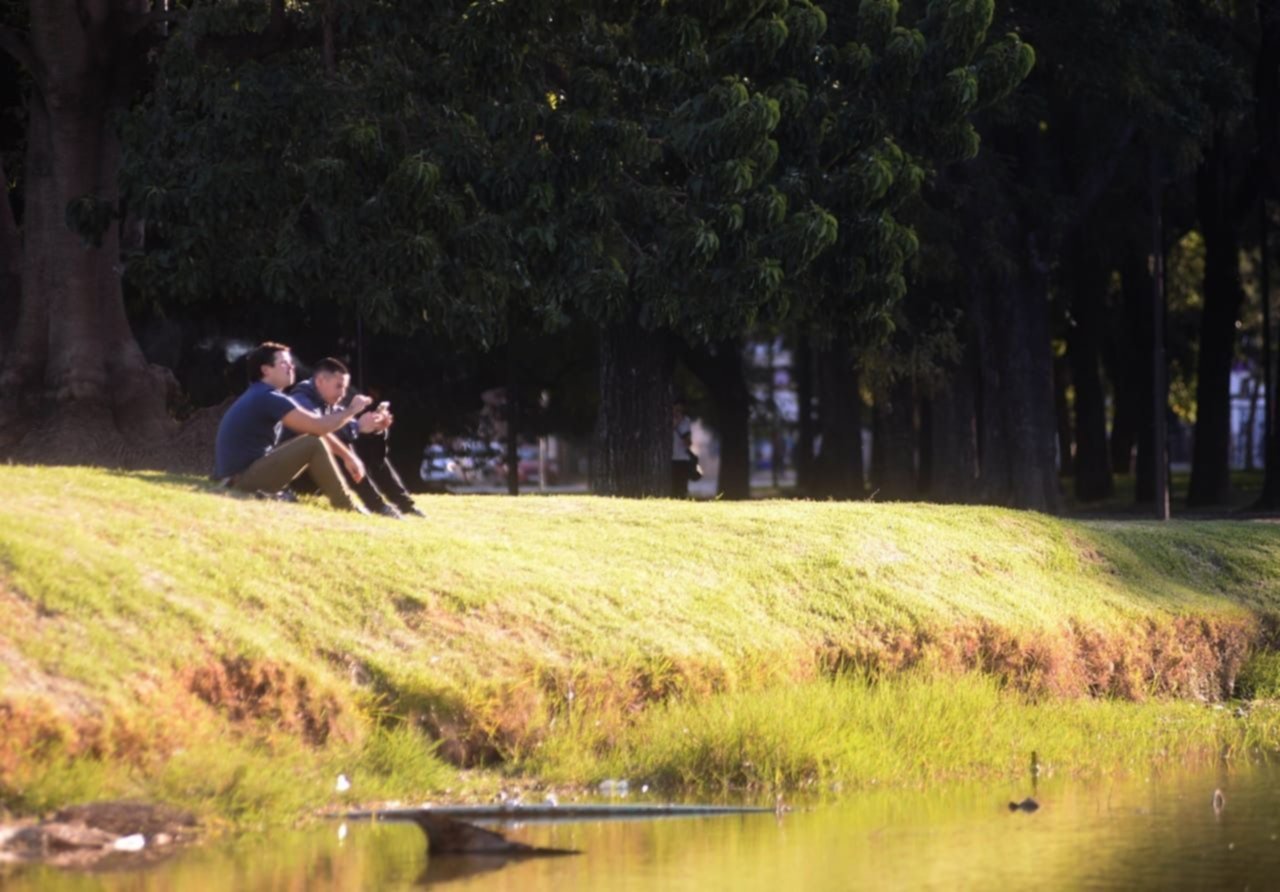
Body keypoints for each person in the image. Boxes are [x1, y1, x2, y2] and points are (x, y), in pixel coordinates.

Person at [213, 342, 371, 513]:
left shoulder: (259, 393)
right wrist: (353, 410)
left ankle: (339, 502)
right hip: (241, 480)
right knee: (312, 443)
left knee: (309, 441)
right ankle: (346, 505)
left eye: (290, 362)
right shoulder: (269, 397)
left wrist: (347, 455)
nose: (291, 366)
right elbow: (318, 427)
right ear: (266, 370)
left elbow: (315, 427)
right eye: (284, 363)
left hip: (233, 477)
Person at [285, 358, 425, 518]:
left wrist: (375, 428)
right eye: (339, 386)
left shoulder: (327, 402)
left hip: (320, 470)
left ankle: (404, 504)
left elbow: (349, 427)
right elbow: (319, 428)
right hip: (298, 476)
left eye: (344, 388)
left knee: (367, 442)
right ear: (320, 381)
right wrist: (355, 420)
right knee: (342, 445)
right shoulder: (300, 398)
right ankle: (377, 505)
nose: (342, 394)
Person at [672, 398, 694, 498]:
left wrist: (680, 427)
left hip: (682, 458)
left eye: (680, 410)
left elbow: (688, 442)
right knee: (673, 485)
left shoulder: (686, 421)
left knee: (682, 485)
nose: (678, 413)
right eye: (676, 410)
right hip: (670, 458)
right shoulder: (668, 420)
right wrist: (675, 424)